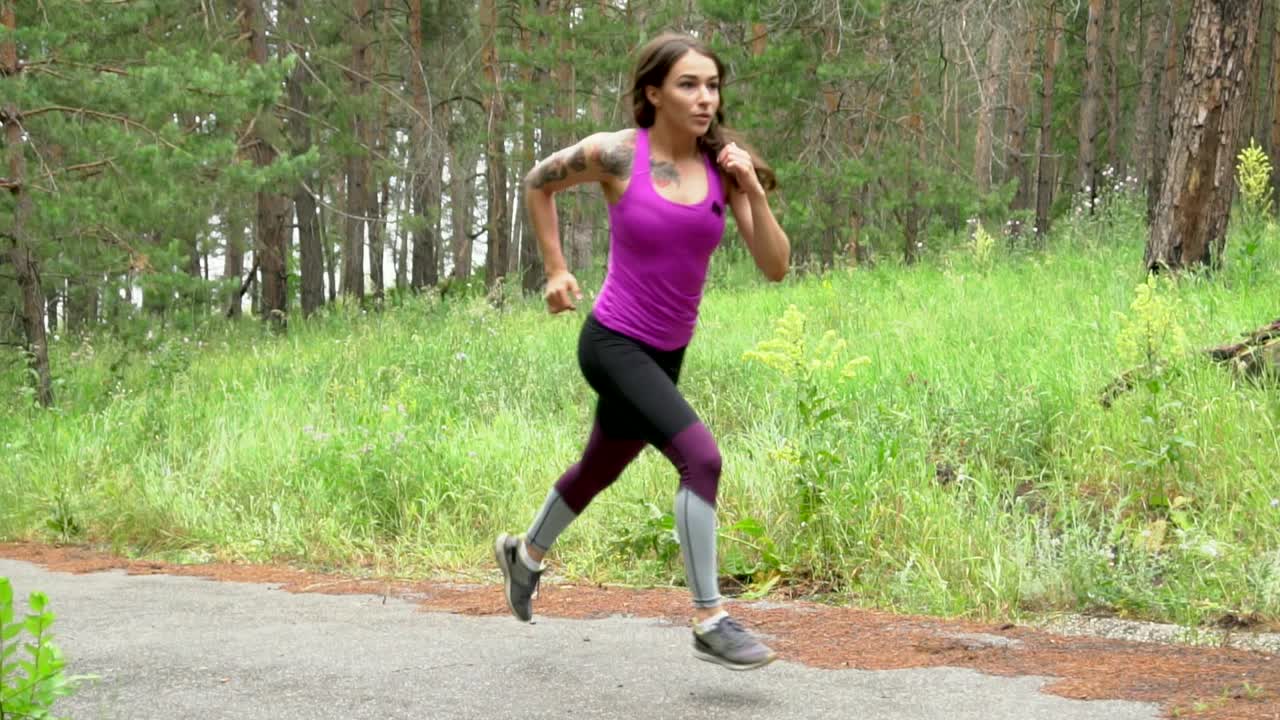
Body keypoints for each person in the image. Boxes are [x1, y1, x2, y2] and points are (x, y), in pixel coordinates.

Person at [494, 31, 790, 671]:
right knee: (701, 459)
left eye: (712, 85)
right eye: (689, 84)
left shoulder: (723, 172)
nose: (705, 98)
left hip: (666, 354)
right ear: (653, 93)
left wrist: (755, 193)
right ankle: (710, 618)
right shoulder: (616, 154)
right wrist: (555, 269)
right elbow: (537, 183)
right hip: (611, 341)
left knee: (599, 467)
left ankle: (525, 556)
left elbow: (775, 266)